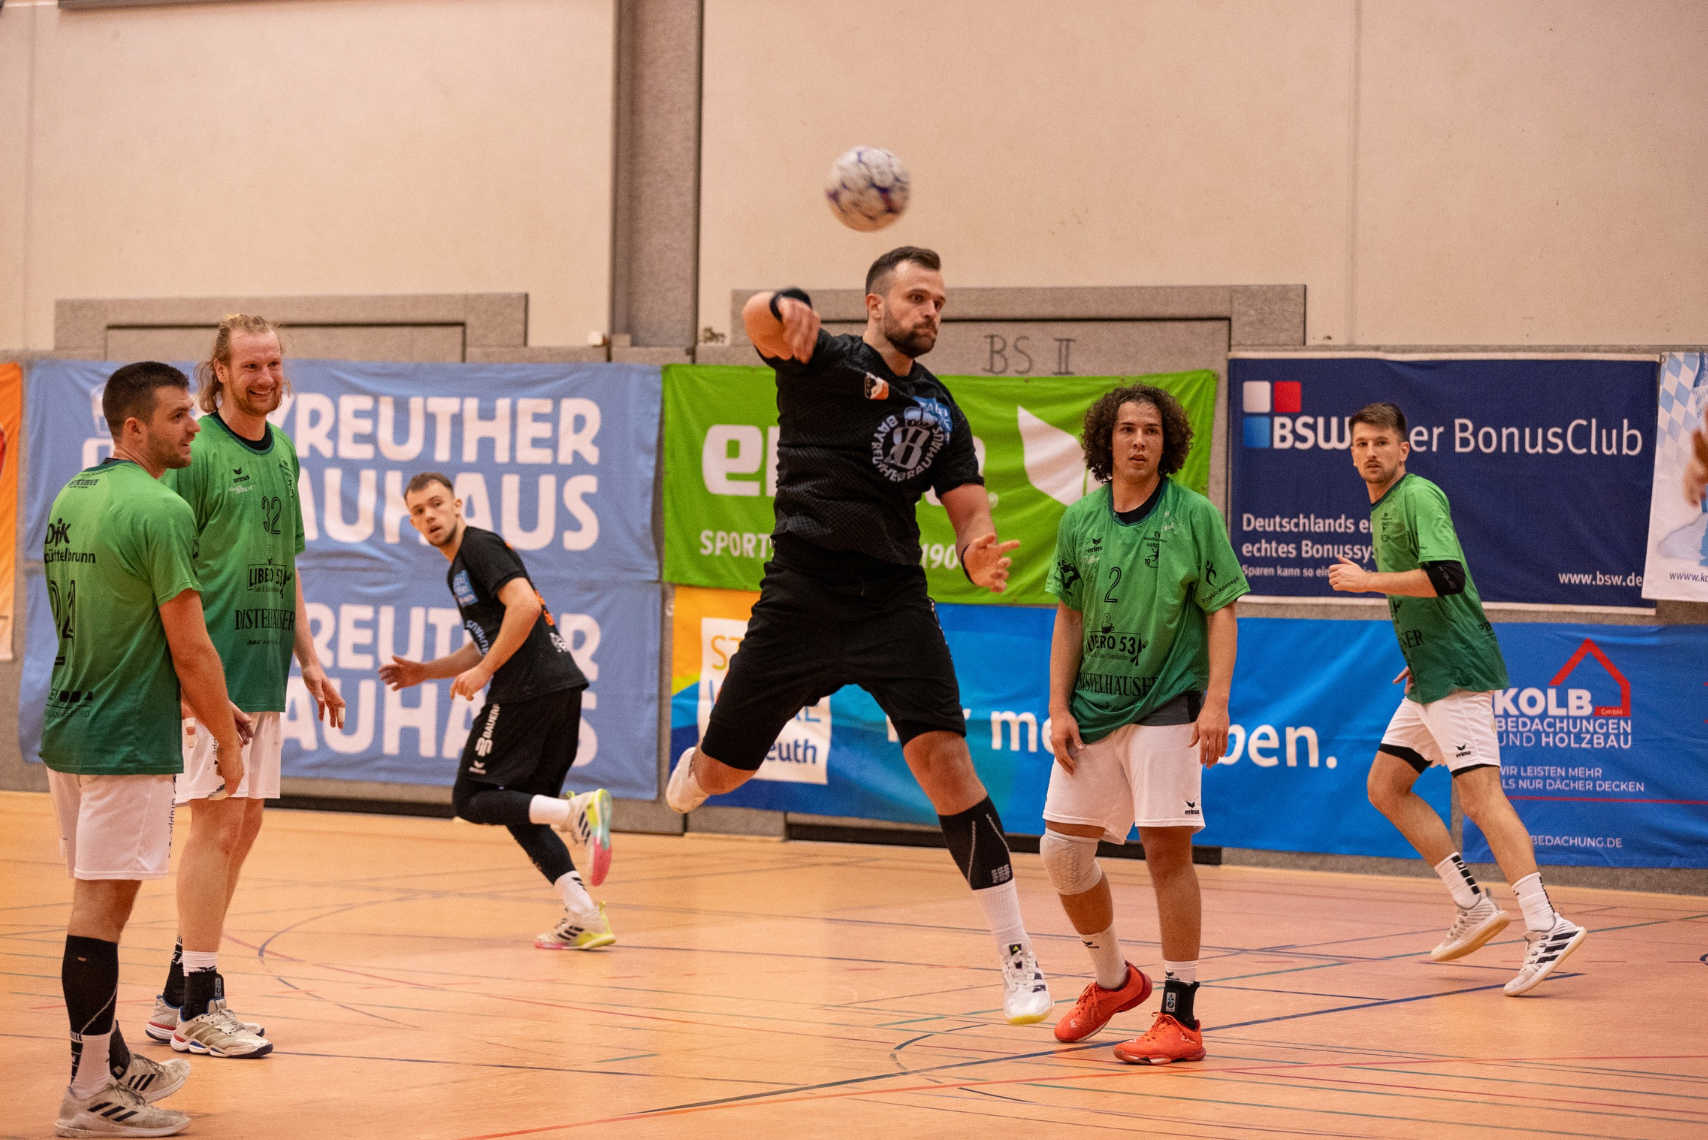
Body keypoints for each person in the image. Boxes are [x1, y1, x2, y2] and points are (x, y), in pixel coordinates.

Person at [664, 246, 1052, 1024]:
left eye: (939, 302)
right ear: (875, 304)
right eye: (917, 298)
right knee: (725, 775)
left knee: (946, 763)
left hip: (892, 603)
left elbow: (968, 504)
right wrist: (783, 302)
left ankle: (1018, 958)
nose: (931, 311)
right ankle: (699, 767)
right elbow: (758, 319)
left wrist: (977, 547)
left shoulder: (939, 407)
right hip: (801, 596)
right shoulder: (824, 359)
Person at [43, 361, 247, 1136]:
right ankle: (89, 1092)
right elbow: (189, 646)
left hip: (69, 728)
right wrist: (224, 739)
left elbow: (117, 621)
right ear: (135, 427)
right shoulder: (162, 508)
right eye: (178, 415)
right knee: (102, 912)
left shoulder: (75, 493)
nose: (195, 426)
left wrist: (203, 703)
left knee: (93, 901)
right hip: (124, 738)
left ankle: (117, 1061)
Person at [1329, 402, 1587, 996]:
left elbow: (1446, 576)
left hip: (1457, 672)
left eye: (1381, 442)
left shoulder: (1418, 496)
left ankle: (1546, 923)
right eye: (1361, 443)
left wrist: (1368, 581)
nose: (1370, 452)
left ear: (1403, 449)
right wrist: (1418, 651)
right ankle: (1472, 904)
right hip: (1428, 672)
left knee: (1480, 797)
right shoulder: (1383, 505)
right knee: (1385, 787)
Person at [144, 315, 344, 1059]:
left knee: (245, 822)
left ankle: (176, 995)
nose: (267, 378)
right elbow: (162, 567)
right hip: (211, 674)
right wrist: (183, 676)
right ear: (220, 372)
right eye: (251, 366)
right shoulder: (194, 452)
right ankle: (200, 1005)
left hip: (265, 671)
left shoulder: (283, 451)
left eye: (275, 364)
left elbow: (285, 564)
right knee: (215, 825)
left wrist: (310, 660)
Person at [1042, 385, 1247, 1064]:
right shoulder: (1079, 520)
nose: (1138, 440)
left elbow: (1222, 610)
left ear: (1168, 442)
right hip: (1093, 710)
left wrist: (1216, 703)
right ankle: (1114, 982)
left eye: (1151, 430)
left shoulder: (1194, 516)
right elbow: (1069, 615)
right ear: (1106, 440)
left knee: (1166, 854)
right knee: (1062, 853)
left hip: (1167, 708)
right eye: (1127, 429)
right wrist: (1059, 707)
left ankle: (1181, 1016)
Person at [380, 473, 615, 949]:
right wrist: (427, 671)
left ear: (458, 504)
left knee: (471, 798)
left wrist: (487, 670)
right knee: (522, 809)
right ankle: (584, 914)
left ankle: (576, 811)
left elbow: (524, 606)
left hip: (528, 689)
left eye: (437, 504)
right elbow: (487, 638)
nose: (430, 515)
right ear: (413, 522)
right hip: (558, 687)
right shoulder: (459, 568)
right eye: (419, 511)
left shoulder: (479, 547)